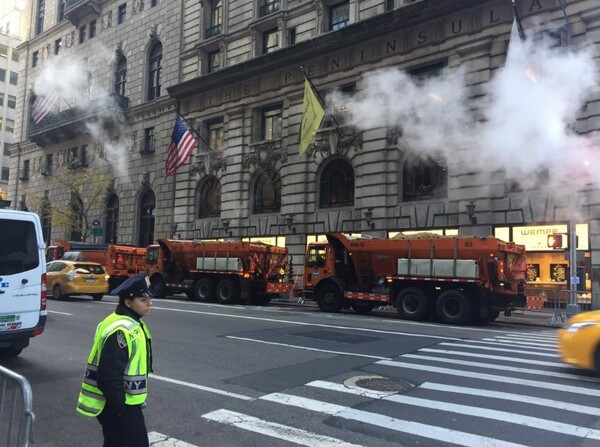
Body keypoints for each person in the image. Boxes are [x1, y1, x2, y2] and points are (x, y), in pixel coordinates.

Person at [76, 273, 154, 447]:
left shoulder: (126, 322)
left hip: (120, 403)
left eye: (149, 298)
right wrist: (121, 410)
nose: (150, 304)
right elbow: (109, 376)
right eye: (143, 300)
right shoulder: (122, 329)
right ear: (128, 302)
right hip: (119, 405)